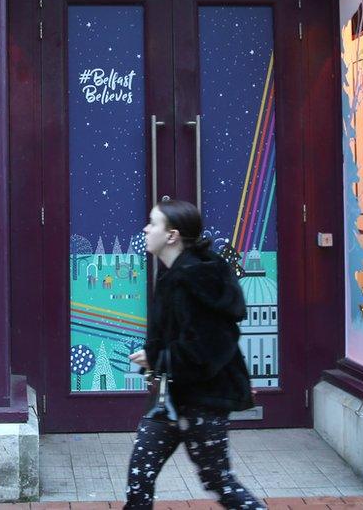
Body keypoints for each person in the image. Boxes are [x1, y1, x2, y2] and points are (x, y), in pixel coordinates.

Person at [125, 199, 263, 510]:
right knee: (139, 479)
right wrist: (152, 354)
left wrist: (156, 358)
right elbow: (172, 337)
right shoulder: (171, 275)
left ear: (171, 235)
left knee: (218, 481)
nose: (146, 229)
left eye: (153, 223)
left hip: (204, 400)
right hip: (171, 399)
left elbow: (206, 350)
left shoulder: (196, 279)